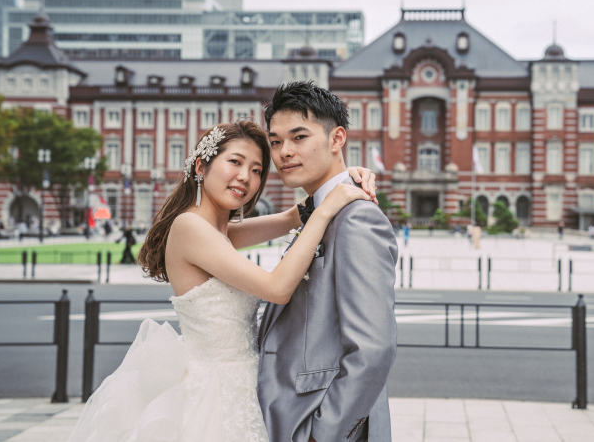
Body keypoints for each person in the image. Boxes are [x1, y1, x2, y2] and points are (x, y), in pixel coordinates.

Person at [68, 119, 378, 442]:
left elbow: (291, 217)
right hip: (215, 396)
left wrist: (345, 177)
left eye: (257, 170)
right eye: (235, 162)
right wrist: (328, 210)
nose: (246, 177)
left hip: (239, 387)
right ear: (201, 166)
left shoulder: (218, 231)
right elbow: (277, 288)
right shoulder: (191, 228)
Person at [259, 81, 398, 442]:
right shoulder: (318, 209)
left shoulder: (356, 219)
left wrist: (324, 434)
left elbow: (372, 348)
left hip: (314, 422)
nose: (284, 152)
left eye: (299, 137)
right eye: (275, 141)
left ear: (337, 139)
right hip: (287, 413)